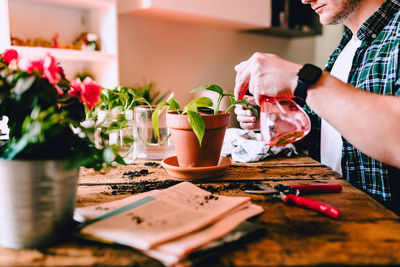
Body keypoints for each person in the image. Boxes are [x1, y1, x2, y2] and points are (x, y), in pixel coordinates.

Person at [234, 0, 400, 214]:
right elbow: (331, 131)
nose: (305, 0)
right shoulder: (347, 44)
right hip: (344, 216)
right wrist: (278, 117)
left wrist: (303, 80)